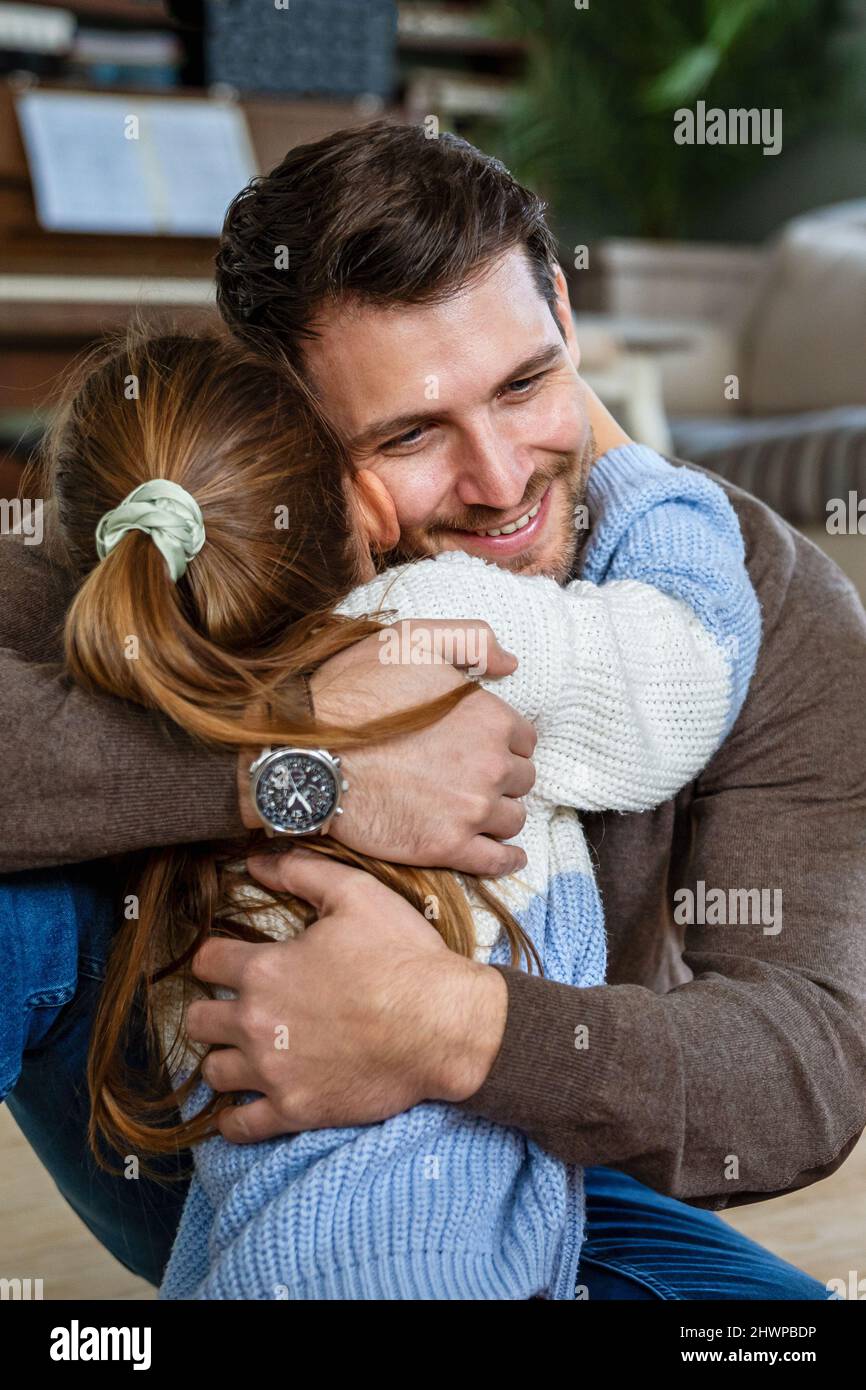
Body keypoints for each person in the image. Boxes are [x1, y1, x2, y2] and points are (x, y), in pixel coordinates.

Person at [2, 122, 865, 1299]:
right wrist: (301, 753)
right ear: (287, 425)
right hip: (179, 1112)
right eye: (409, 434)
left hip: (516, 1160)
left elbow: (798, 1070)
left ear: (562, 312)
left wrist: (446, 1026)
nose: (501, 481)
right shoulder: (187, 519)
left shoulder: (775, 604)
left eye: (523, 383)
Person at [34, 326, 759, 1299]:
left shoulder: (132, 686)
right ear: (361, 500)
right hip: (421, 1264)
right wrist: (628, 460)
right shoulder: (439, 624)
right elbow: (685, 663)